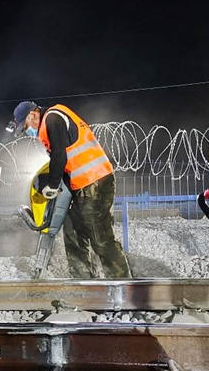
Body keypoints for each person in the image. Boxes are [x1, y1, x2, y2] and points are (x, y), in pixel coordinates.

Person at [10, 101, 131, 278]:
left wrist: (52, 184)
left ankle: (123, 285)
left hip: (96, 181)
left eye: (27, 126)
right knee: (73, 232)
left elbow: (60, 154)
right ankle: (82, 283)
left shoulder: (53, 118)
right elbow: (65, 160)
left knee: (100, 239)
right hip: (82, 185)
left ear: (33, 115)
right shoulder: (52, 120)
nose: (29, 131)